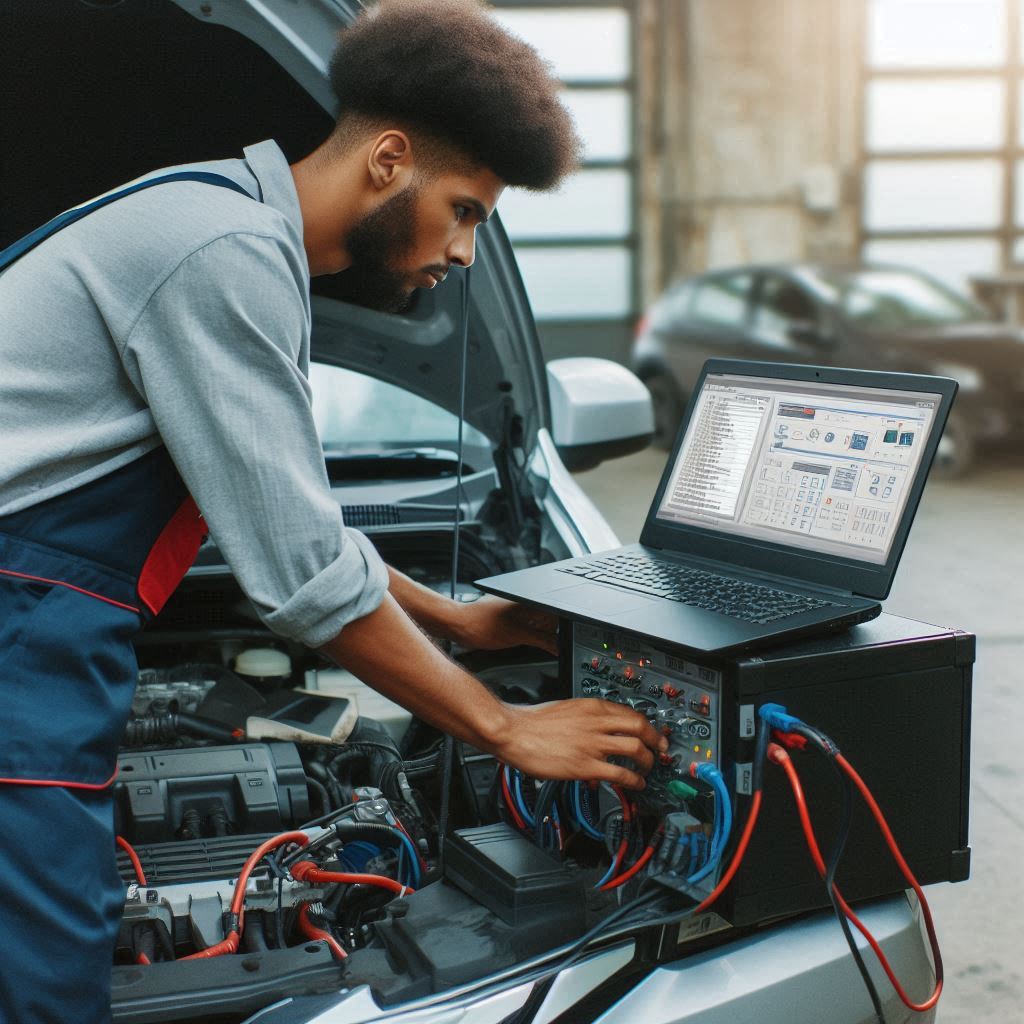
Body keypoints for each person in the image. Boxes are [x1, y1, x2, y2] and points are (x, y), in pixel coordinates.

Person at [0, 0, 665, 1018]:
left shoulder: (215, 218)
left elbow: (273, 508)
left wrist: (455, 620)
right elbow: (304, 577)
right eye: (466, 210)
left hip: (37, 619)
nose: (464, 252)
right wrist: (503, 727)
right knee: (46, 981)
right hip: (19, 635)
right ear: (391, 159)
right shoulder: (223, 249)